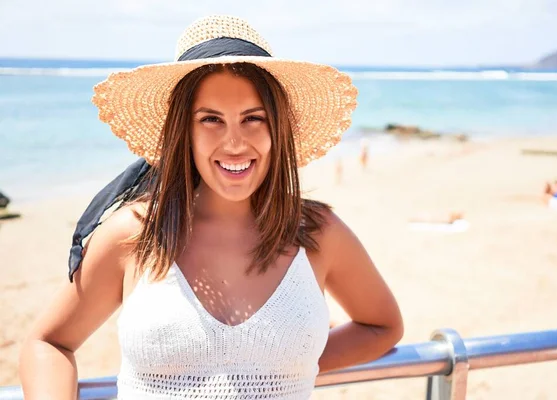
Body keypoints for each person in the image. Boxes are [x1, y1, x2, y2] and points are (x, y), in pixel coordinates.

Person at [18, 15, 403, 399]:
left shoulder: (317, 232)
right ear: (183, 131)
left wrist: (290, 367)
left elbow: (382, 326)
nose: (234, 143)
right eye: (211, 120)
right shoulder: (134, 233)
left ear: (277, 129)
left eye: (253, 119)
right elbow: (49, 343)